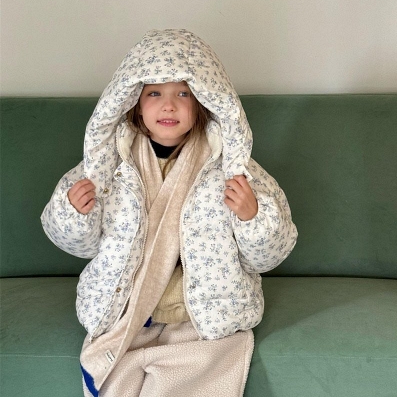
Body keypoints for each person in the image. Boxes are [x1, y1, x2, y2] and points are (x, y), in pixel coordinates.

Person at [41, 29, 298, 397]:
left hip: (201, 312)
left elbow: (270, 256)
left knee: (198, 373)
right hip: (130, 307)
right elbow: (78, 245)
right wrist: (74, 214)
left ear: (205, 102)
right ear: (133, 102)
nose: (169, 106)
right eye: (154, 93)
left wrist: (252, 217)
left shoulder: (235, 171)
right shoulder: (106, 169)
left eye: (183, 94)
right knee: (120, 375)